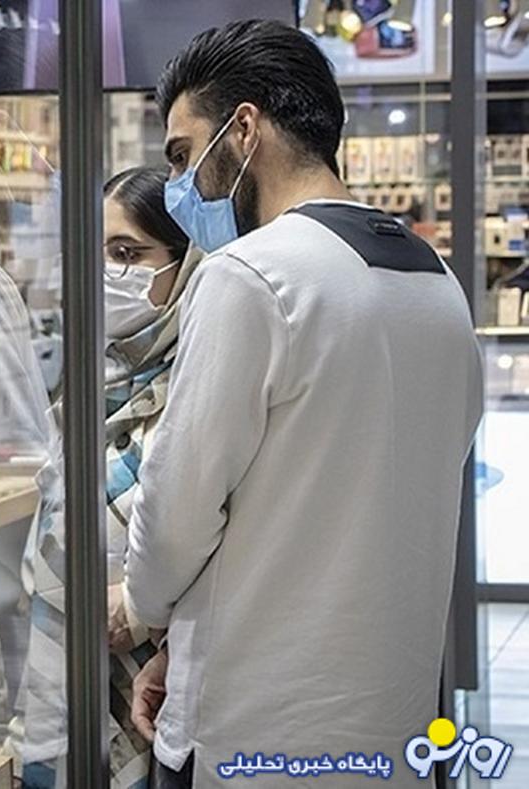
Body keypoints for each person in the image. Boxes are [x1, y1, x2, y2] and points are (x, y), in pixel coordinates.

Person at [123, 21, 484, 788]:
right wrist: (184, 645)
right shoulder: (439, 285)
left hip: (252, 735)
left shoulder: (251, 276)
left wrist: (148, 609)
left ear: (243, 129)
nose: (182, 188)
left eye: (184, 155)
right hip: (392, 729)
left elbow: (175, 514)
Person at [17, 167, 195, 789]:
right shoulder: (89, 385)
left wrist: (140, 607)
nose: (104, 274)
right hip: (71, 677)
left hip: (169, 680)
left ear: (184, 263)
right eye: (93, 255)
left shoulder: (206, 379)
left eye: (127, 254)